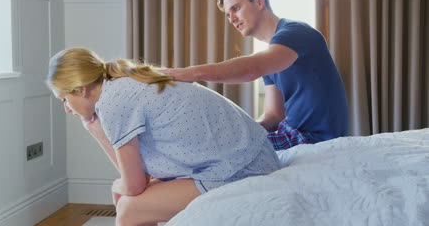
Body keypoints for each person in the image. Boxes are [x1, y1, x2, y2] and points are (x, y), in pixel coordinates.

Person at [46, 47, 281, 225]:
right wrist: (95, 128)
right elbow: (137, 176)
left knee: (128, 208)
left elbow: (134, 184)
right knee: (123, 196)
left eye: (64, 99)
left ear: (82, 89)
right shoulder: (120, 84)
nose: (67, 108)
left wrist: (94, 130)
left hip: (244, 167)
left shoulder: (112, 102)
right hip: (248, 155)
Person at [163, 0, 349, 150]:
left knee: (212, 151)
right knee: (216, 144)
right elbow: (274, 115)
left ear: (259, 2)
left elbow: (252, 68)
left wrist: (191, 73)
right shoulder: (270, 57)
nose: (232, 19)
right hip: (291, 133)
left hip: (310, 138)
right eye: (228, 15)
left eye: (236, 8)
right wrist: (242, 130)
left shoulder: (296, 33)